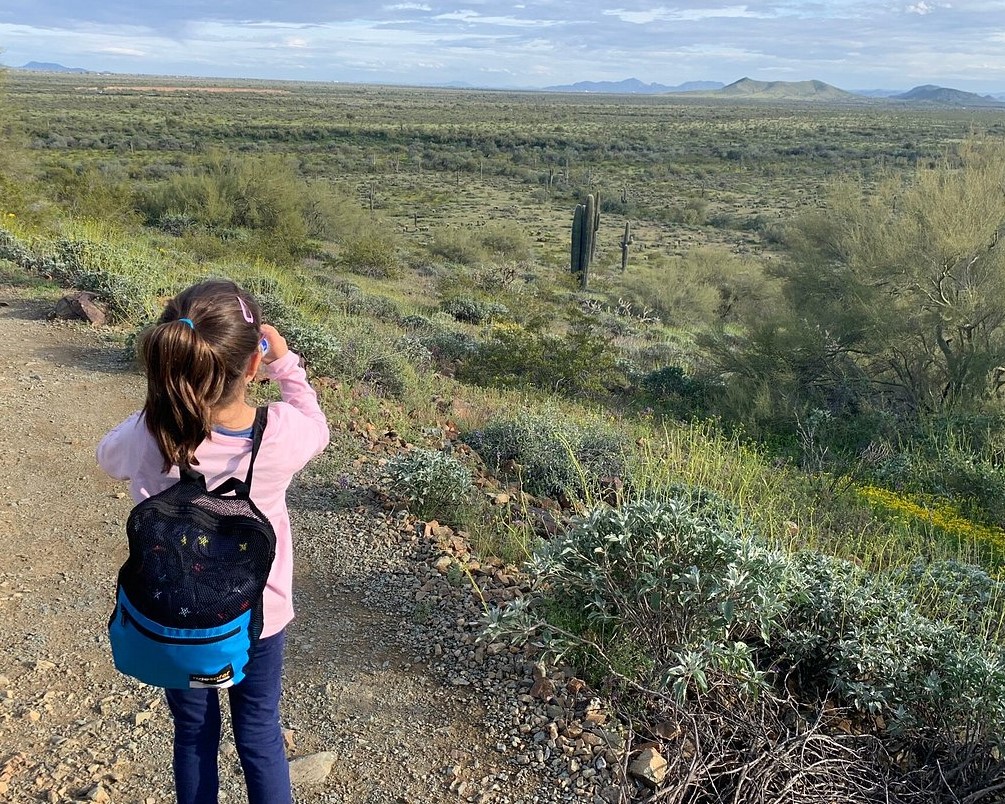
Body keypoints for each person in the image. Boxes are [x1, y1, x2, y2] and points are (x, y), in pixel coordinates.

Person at [97, 279, 330, 804]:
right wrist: (286, 365)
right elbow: (318, 425)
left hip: (173, 616)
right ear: (251, 365)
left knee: (194, 734)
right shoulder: (280, 433)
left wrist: (163, 401)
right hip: (259, 616)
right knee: (259, 734)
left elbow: (106, 457)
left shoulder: (149, 431)